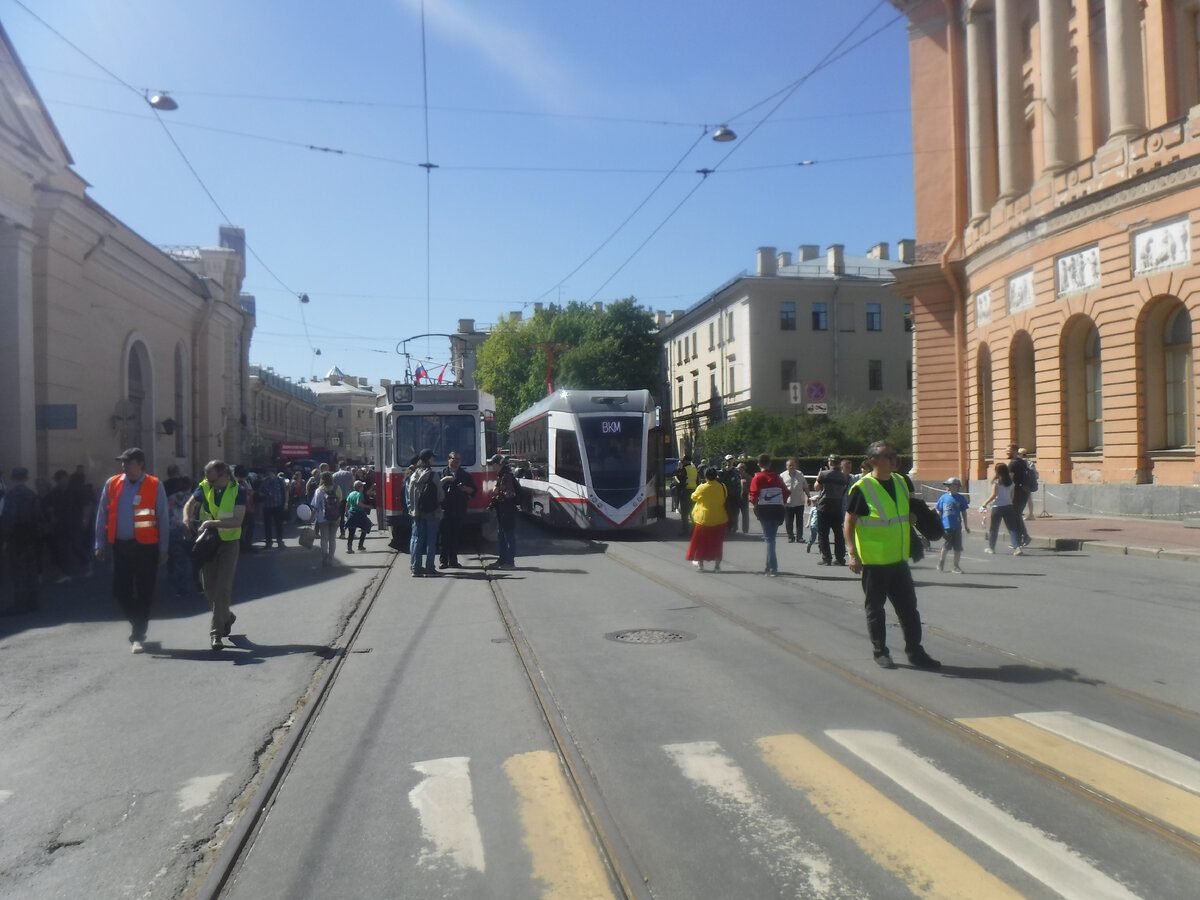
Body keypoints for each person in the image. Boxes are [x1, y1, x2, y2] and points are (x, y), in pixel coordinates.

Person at [844, 440, 941, 670]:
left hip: (898, 561)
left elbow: (905, 513)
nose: (894, 459)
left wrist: (922, 526)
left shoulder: (899, 481)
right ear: (874, 461)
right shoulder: (862, 488)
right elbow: (849, 522)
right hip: (875, 563)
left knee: (909, 610)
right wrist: (852, 554)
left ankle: (916, 652)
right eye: (888, 455)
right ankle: (880, 651)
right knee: (876, 610)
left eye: (894, 455)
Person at [93, 449, 168, 652]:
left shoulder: (154, 484)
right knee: (120, 591)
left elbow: (162, 517)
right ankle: (138, 622)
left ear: (140, 464)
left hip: (146, 547)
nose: (124, 466)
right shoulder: (113, 483)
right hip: (121, 545)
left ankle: (138, 635)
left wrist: (164, 548)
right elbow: (102, 514)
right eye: (123, 463)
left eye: (129, 462)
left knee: (145, 591)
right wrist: (100, 543)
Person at [183, 460, 246, 650]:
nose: (208, 483)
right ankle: (226, 616)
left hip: (229, 543)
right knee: (208, 588)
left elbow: (236, 521)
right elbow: (190, 503)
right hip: (208, 543)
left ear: (225, 475)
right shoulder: (205, 485)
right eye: (207, 479)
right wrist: (186, 517)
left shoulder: (238, 491)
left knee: (223, 588)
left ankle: (216, 633)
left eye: (212, 479)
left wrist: (212, 523)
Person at [1, 467, 43, 615]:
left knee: (17, 570)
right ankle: (33, 601)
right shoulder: (31, 494)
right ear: (26, 478)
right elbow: (38, 516)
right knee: (30, 569)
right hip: (30, 535)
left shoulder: (11, 495)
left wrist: (5, 537)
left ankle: (19, 604)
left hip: (16, 536)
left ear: (13, 478)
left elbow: (9, 518)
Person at [749, 453, 789, 576]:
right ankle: (768, 565)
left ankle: (773, 568)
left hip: (765, 510)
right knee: (771, 538)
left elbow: (753, 494)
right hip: (777, 510)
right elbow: (786, 492)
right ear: (770, 463)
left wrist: (755, 505)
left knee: (769, 539)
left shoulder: (757, 478)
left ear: (758, 464)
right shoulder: (777, 477)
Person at [407, 449, 444, 576]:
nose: (434, 459)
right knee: (431, 540)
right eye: (432, 458)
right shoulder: (433, 476)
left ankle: (416, 568)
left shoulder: (413, 475)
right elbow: (440, 496)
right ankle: (430, 568)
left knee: (417, 539)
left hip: (416, 513)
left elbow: (410, 495)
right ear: (428, 459)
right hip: (432, 512)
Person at [163, 465, 196, 597]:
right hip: (190, 529)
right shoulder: (193, 498)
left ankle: (179, 586)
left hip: (173, 529)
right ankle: (199, 585)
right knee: (194, 559)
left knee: (176, 558)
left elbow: (165, 512)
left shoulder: (168, 494)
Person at [686, 467, 728, 571]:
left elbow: (693, 497)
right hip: (719, 518)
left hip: (703, 519)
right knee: (717, 543)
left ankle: (700, 565)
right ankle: (717, 566)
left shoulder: (702, 488)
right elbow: (725, 497)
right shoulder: (722, 486)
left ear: (705, 476)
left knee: (700, 543)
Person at [439, 450, 476, 568]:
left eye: (458, 460)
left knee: (455, 536)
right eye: (453, 459)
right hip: (444, 510)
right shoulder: (441, 473)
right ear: (448, 460)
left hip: (459, 509)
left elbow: (473, 491)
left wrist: (464, 488)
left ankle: (453, 561)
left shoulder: (465, 475)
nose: (455, 462)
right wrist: (445, 480)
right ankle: (443, 561)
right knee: (444, 536)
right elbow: (435, 489)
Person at [980, 462, 1025, 556]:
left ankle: (991, 548)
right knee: (1012, 528)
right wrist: (1009, 503)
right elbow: (1012, 496)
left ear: (997, 471)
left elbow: (994, 495)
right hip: (1008, 506)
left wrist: (985, 503)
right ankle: (1017, 547)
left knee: (994, 529)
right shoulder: (1011, 483)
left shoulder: (997, 482)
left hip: (997, 507)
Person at [815, 455, 849, 566]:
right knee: (838, 533)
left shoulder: (824, 474)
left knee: (823, 533)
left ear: (830, 463)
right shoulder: (844, 476)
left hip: (824, 505)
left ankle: (826, 557)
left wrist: (819, 476)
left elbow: (817, 487)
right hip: (837, 505)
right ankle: (840, 558)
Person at [488, 454, 519, 570]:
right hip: (503, 510)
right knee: (501, 535)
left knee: (508, 536)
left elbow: (510, 494)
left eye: (493, 464)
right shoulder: (502, 475)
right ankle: (502, 559)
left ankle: (510, 562)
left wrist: (498, 490)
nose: (492, 467)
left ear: (497, 464)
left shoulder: (506, 476)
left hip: (508, 509)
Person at [935, 477, 971, 573]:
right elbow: (939, 510)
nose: (947, 487)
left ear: (956, 487)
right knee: (946, 546)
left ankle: (955, 566)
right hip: (946, 526)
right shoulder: (943, 498)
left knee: (958, 548)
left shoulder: (960, 498)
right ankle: (941, 561)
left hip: (957, 527)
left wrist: (966, 525)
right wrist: (938, 522)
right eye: (947, 485)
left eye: (949, 485)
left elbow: (964, 512)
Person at [312, 472, 343, 567]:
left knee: (324, 538)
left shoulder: (319, 490)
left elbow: (316, 506)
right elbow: (340, 501)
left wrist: (311, 518)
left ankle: (324, 555)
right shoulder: (337, 488)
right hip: (335, 517)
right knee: (332, 538)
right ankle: (331, 558)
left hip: (322, 518)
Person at [1006, 445, 1032, 545]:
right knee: (1016, 515)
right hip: (1025, 491)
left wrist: (1006, 493)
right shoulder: (1022, 462)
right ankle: (1022, 538)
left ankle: (1022, 538)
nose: (1006, 452)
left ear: (1014, 451)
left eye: (1008, 451)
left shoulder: (1013, 463)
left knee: (1014, 516)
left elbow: (1010, 479)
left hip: (1016, 493)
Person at [259, 464, 287, 549]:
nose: (269, 474)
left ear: (274, 473)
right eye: (268, 472)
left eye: (270, 472)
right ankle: (268, 542)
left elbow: (284, 492)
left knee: (279, 524)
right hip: (267, 506)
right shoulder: (265, 481)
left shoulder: (280, 480)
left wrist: (285, 503)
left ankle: (280, 541)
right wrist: (264, 494)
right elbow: (260, 492)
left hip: (278, 505)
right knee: (267, 525)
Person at [781, 458, 809, 543]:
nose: (791, 467)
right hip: (788, 503)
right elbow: (779, 489)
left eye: (793, 465)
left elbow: (805, 486)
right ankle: (790, 536)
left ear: (795, 465)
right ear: (786, 466)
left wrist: (808, 496)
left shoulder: (800, 474)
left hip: (799, 501)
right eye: (790, 465)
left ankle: (799, 537)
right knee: (789, 521)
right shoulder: (782, 476)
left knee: (799, 521)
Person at [345, 481, 373, 552]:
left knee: (351, 530)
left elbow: (347, 504)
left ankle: (349, 548)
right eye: (362, 486)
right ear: (359, 487)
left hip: (351, 513)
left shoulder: (351, 493)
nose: (363, 488)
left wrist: (346, 512)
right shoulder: (360, 494)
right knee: (366, 526)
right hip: (359, 513)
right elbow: (358, 503)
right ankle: (360, 545)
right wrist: (367, 506)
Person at [718, 455, 742, 535]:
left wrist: (739, 494)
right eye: (727, 460)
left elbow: (738, 483)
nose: (729, 462)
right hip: (725, 494)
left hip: (735, 495)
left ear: (733, 461)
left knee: (735, 512)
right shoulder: (722, 471)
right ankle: (727, 526)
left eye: (730, 460)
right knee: (725, 511)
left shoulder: (736, 471)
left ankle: (734, 527)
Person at [676, 455, 699, 535]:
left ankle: (685, 530)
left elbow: (680, 481)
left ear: (685, 461)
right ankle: (694, 530)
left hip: (685, 493)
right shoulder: (694, 469)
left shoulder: (684, 469)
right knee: (693, 512)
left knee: (684, 513)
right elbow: (697, 481)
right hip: (694, 492)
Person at [332, 462, 356, 538]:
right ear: (345, 466)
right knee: (350, 515)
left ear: (339, 466)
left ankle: (342, 533)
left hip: (339, 498)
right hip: (348, 497)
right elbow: (352, 486)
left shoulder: (334, 475)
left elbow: (333, 487)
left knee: (341, 516)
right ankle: (351, 533)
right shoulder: (349, 474)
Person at [736, 462, 752, 533]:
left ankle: (745, 529)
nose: (738, 470)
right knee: (735, 514)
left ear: (743, 469)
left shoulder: (748, 477)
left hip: (744, 497)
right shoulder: (736, 476)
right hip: (736, 497)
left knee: (745, 514)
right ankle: (734, 528)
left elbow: (752, 487)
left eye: (739, 468)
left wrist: (747, 490)